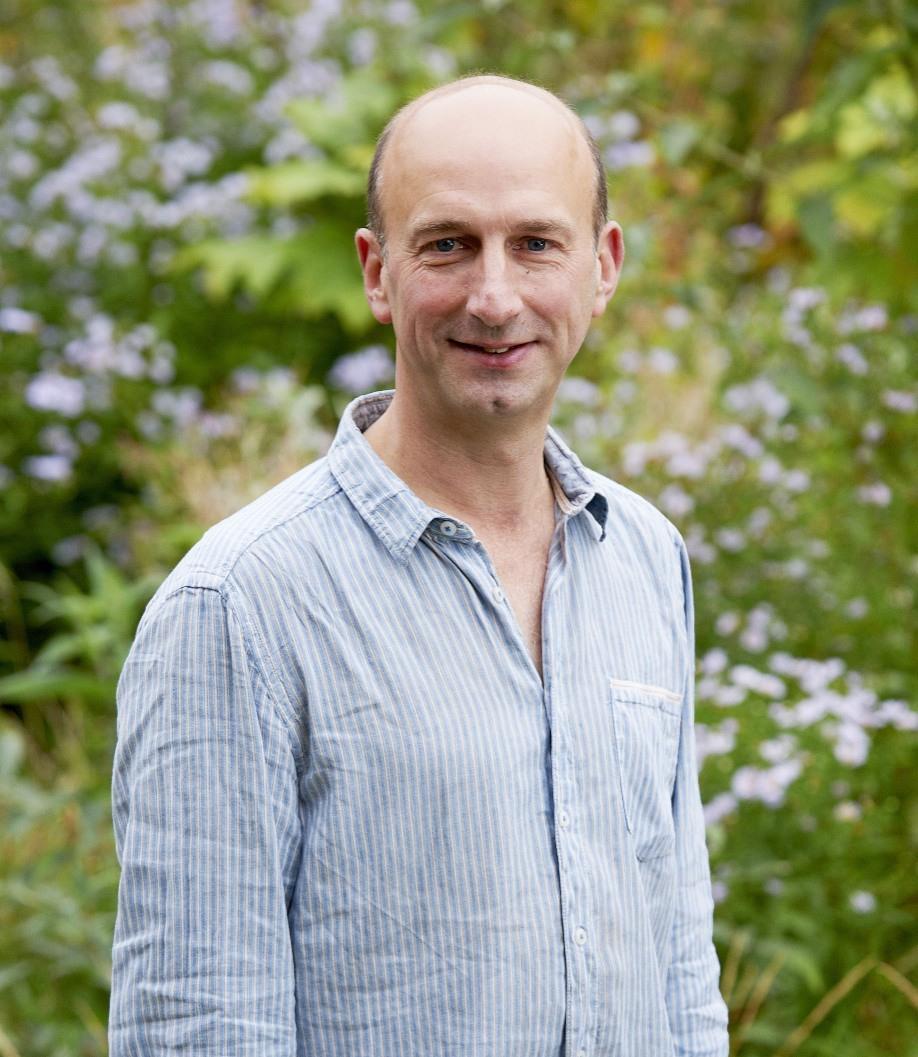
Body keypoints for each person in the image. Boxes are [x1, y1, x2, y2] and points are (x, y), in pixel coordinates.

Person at [109, 74, 729, 1056]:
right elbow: (197, 1025)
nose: (495, 297)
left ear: (603, 267)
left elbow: (681, 966)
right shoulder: (240, 604)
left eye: (536, 243)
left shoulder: (642, 556)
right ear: (377, 271)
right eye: (447, 245)